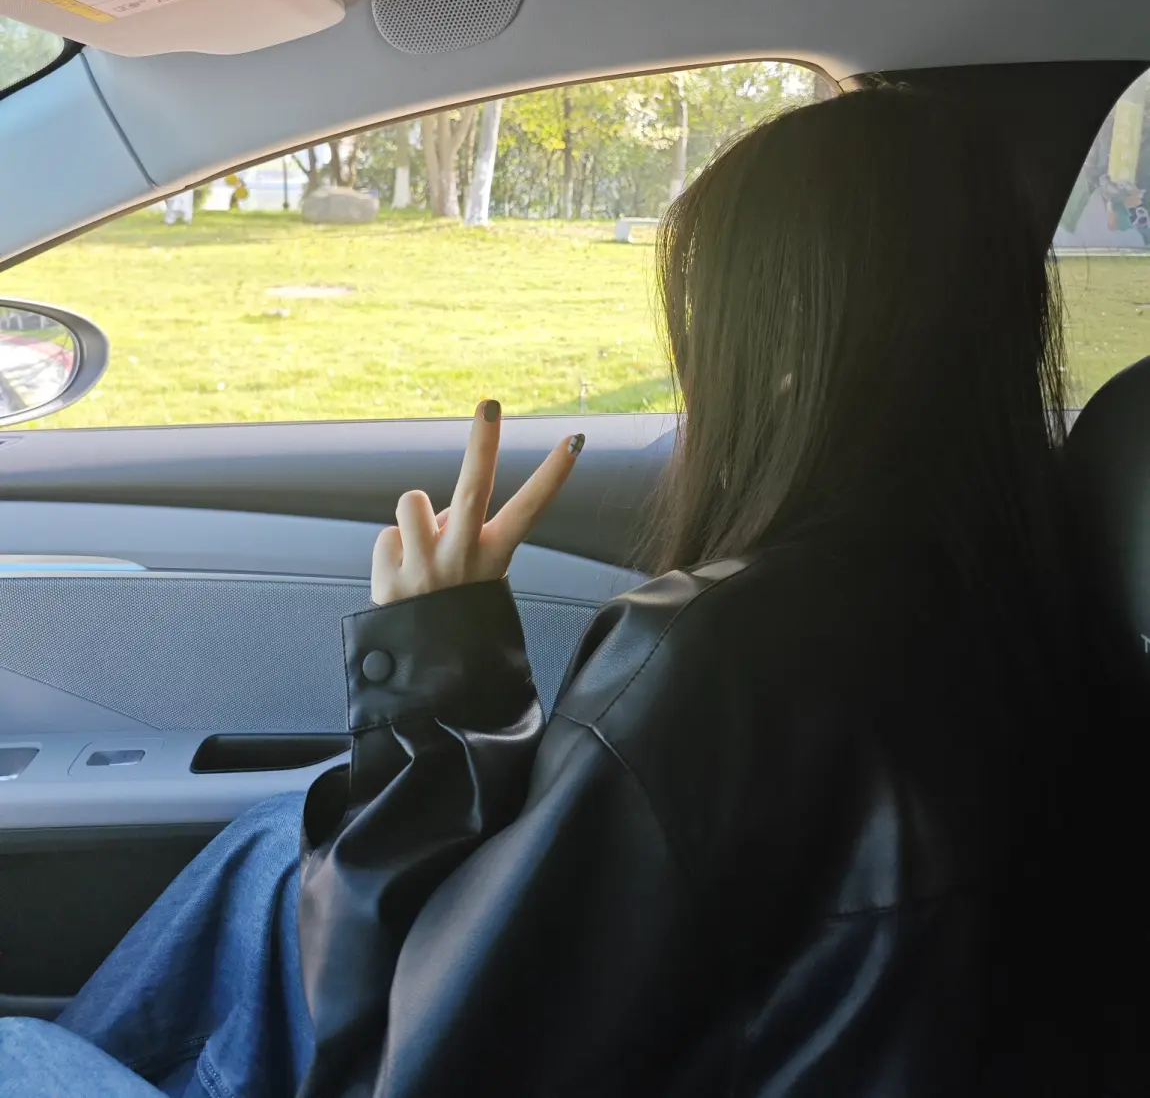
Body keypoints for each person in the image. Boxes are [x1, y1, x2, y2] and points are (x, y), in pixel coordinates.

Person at [0, 85, 1123, 1095]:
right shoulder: (1044, 610)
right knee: (270, 847)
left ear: (782, 351)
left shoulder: (727, 660)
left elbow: (425, 1061)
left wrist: (430, 690)